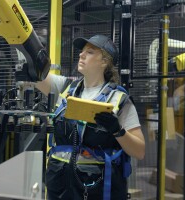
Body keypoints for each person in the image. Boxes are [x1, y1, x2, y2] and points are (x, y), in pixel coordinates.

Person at [35, 34, 145, 200]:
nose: (81, 54)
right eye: (82, 51)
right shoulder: (64, 88)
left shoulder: (119, 99)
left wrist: (117, 130)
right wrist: (31, 50)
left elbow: (139, 151)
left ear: (104, 62)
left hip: (97, 190)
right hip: (60, 188)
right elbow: (35, 74)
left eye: (90, 52)